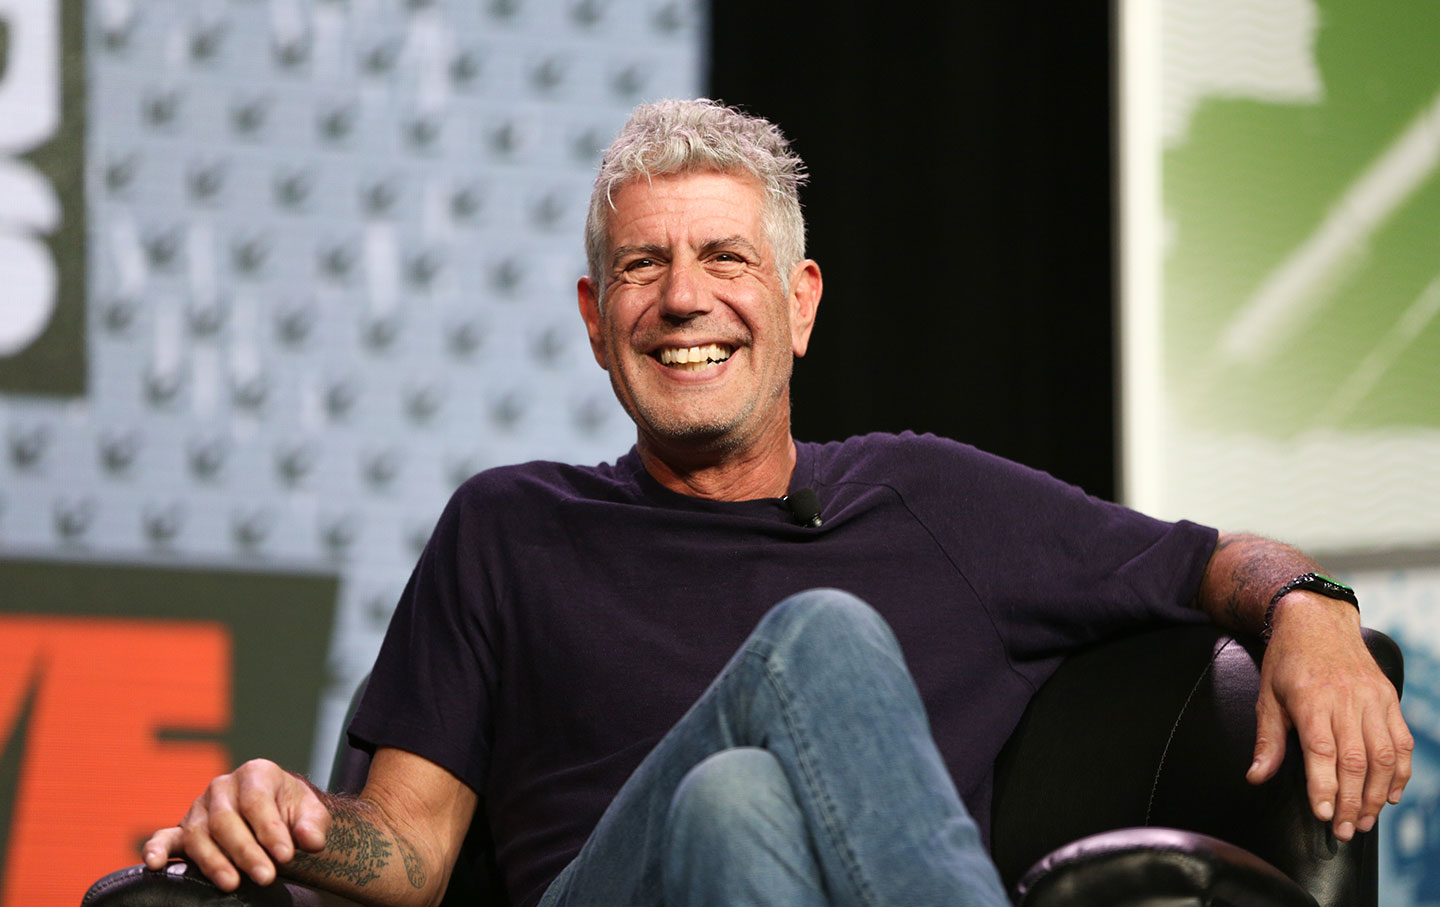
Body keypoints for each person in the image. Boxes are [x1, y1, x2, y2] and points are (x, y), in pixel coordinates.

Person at [143, 99, 1412, 907]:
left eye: (724, 258)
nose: (682, 299)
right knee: (822, 635)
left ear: (799, 304)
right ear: (595, 319)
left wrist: (1310, 606)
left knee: (735, 802)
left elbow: (1210, 562)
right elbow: (408, 852)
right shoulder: (510, 527)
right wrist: (286, 819)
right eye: (642, 266)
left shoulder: (933, 500)